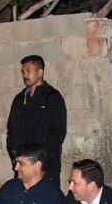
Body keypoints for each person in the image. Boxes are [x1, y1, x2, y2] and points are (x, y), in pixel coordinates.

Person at [6, 55, 67, 184]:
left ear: (40, 72)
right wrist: (16, 157)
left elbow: (58, 133)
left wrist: (38, 158)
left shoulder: (52, 98)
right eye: (23, 71)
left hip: (45, 166)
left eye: (28, 70)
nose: (24, 75)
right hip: (22, 165)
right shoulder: (19, 99)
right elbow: (12, 132)